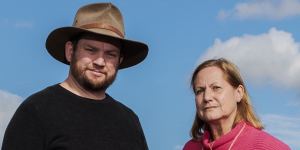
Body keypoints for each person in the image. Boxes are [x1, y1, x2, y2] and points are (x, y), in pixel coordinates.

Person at [2, 3, 148, 150]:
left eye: (111, 54)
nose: (100, 61)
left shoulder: (129, 121)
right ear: (70, 51)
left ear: (119, 61)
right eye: (91, 50)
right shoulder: (36, 110)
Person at [183, 58, 290, 150]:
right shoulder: (191, 147)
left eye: (216, 88)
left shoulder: (266, 147)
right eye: (200, 91)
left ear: (238, 93)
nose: (206, 97)